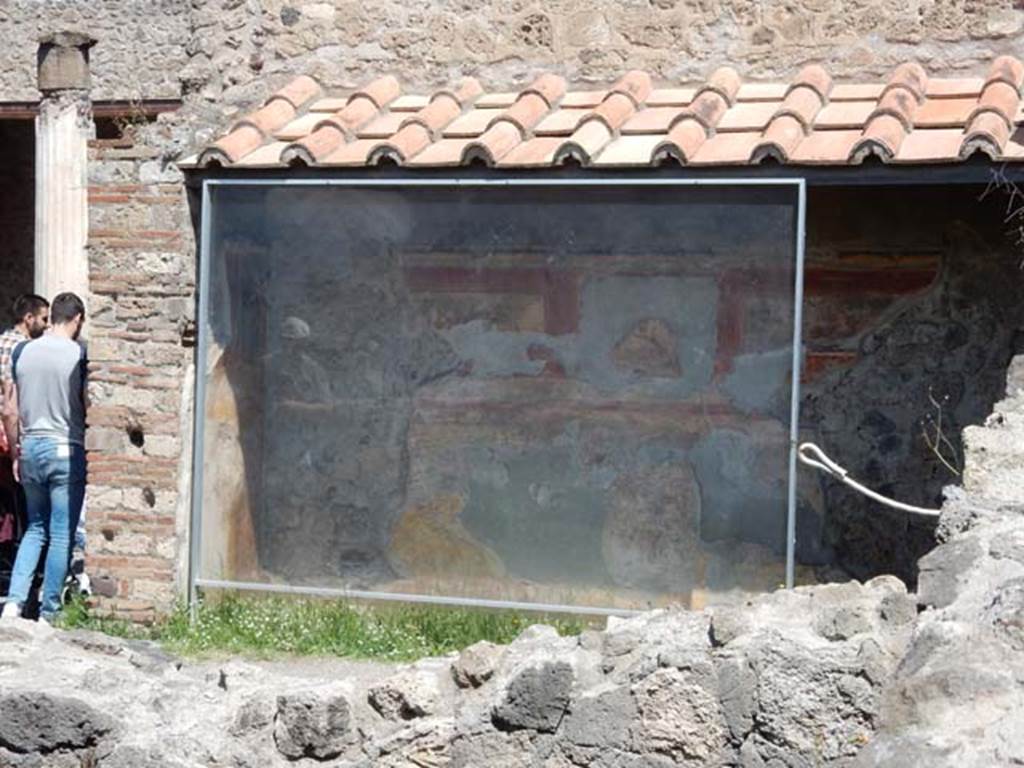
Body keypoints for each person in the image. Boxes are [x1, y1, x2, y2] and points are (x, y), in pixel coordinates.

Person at [1, 293, 86, 621]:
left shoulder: (23, 351)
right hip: (66, 445)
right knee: (61, 531)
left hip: (31, 446)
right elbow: (86, 403)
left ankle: (13, 603)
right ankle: (50, 610)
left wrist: (15, 452)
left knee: (35, 528)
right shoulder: (79, 354)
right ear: (77, 319)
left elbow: (10, 409)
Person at [0, 295, 49, 553]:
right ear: (28, 318)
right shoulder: (24, 349)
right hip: (9, 434)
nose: (47, 325)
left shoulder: (1, 341)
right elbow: (11, 405)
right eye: (44, 319)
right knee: (21, 503)